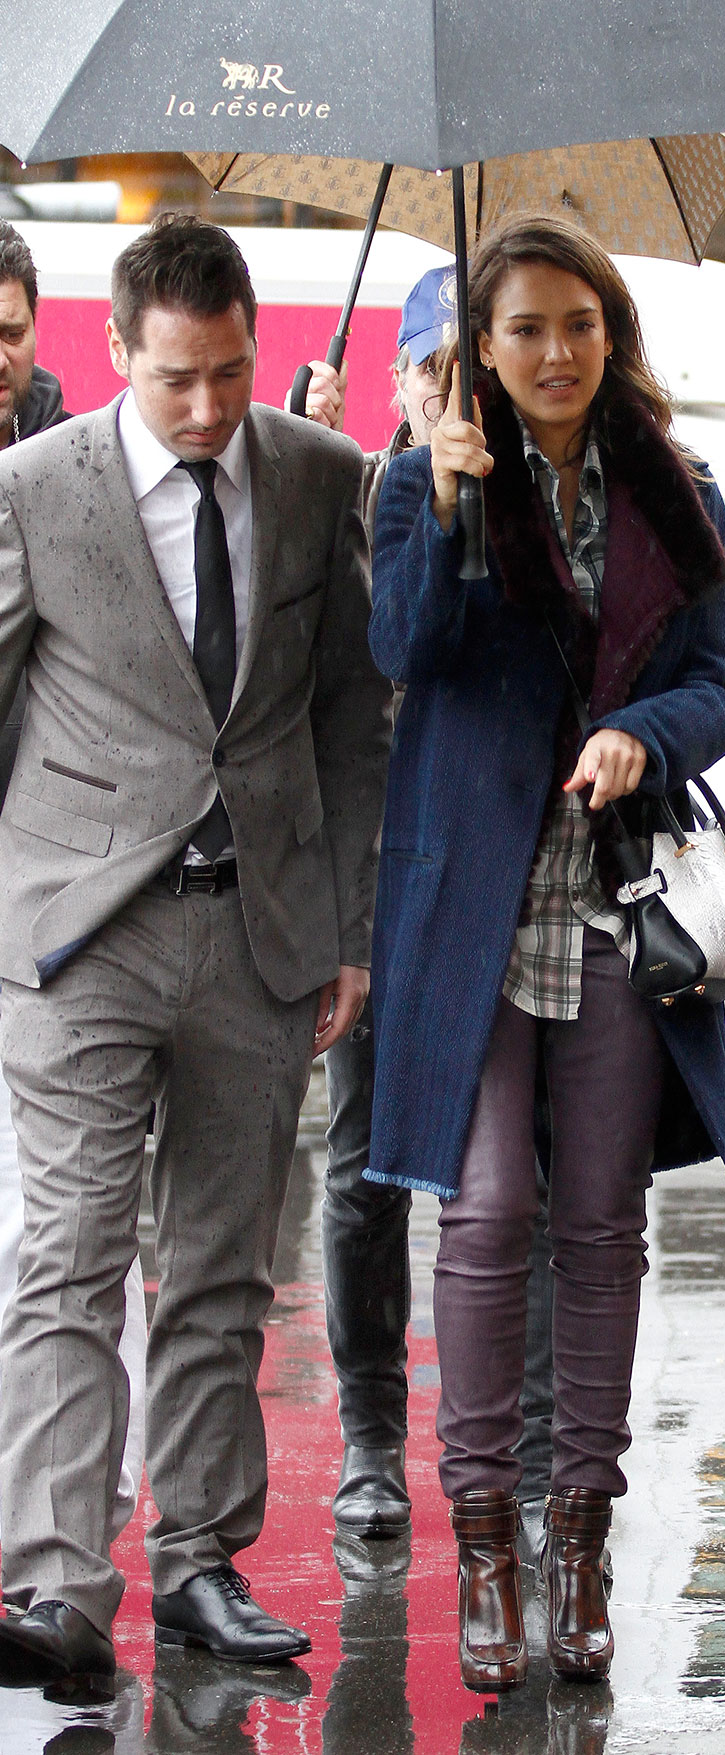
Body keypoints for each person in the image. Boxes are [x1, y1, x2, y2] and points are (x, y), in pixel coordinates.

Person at [0, 213, 391, 1691]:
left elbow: (354, 717)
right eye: (179, 379)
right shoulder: (33, 490)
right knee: (72, 1254)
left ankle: (201, 1562)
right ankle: (55, 1582)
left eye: (231, 373)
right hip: (77, 935)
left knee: (222, 1267)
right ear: (118, 352)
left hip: (260, 929)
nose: (212, 407)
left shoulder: (318, 477)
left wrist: (345, 924)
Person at [368, 212, 725, 1693]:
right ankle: (483, 1546)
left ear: (613, 335)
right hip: (472, 894)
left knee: (600, 1220)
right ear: (482, 345)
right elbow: (406, 653)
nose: (553, 353)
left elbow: (721, 687)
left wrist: (634, 732)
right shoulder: (423, 479)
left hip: (614, 890)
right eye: (523, 329)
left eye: (578, 326)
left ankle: (581, 1541)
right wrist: (453, 512)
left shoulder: (679, 488)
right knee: (484, 1210)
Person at [0, 219, 149, 1548]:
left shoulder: (65, 480)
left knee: (58, 1230)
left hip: (54, 910)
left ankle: (66, 1525)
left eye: (3, 329)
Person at [317, 265, 454, 1542]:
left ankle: (502, 1450)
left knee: (497, 1170)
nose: (449, 388)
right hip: (363, 870)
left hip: (483, 864)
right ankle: (370, 1437)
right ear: (402, 377)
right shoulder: (346, 490)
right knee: (363, 1164)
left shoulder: (523, 505)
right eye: (432, 367)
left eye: (470, 367)